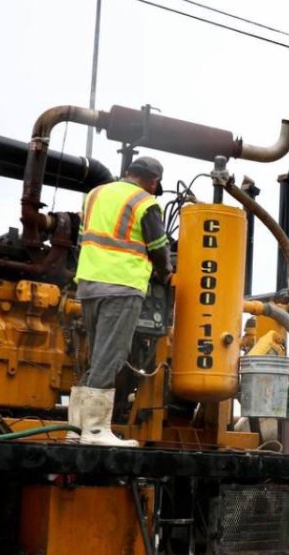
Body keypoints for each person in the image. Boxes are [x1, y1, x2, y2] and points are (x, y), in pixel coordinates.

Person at [69, 157, 172, 447]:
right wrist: (165, 273)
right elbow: (158, 247)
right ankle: (96, 432)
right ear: (153, 181)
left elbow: (81, 238)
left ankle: (77, 430)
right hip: (122, 285)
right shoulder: (144, 201)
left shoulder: (95, 195)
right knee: (111, 356)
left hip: (89, 285)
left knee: (97, 357)